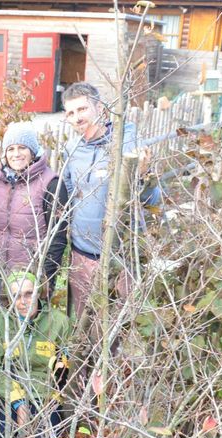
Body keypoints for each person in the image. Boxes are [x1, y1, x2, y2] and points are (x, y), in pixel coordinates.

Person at [61, 82, 162, 318]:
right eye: (70, 113)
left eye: (82, 109)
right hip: (82, 255)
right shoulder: (71, 150)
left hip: (120, 258)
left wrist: (143, 177)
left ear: (100, 108)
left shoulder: (127, 145)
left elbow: (153, 199)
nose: (77, 118)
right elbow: (70, 196)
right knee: (83, 323)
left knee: (118, 323)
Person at [0, 122, 69, 298]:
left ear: (32, 151)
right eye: (10, 149)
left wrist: (44, 279)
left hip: (31, 277)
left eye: (22, 147)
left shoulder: (52, 184)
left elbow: (57, 239)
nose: (16, 154)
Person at [0, 271, 73, 437]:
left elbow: (66, 370)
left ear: (39, 292)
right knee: (1, 433)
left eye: (29, 294)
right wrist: (19, 403)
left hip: (43, 394)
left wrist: (53, 399)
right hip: (6, 391)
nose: (23, 302)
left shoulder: (59, 321)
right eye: (16, 296)